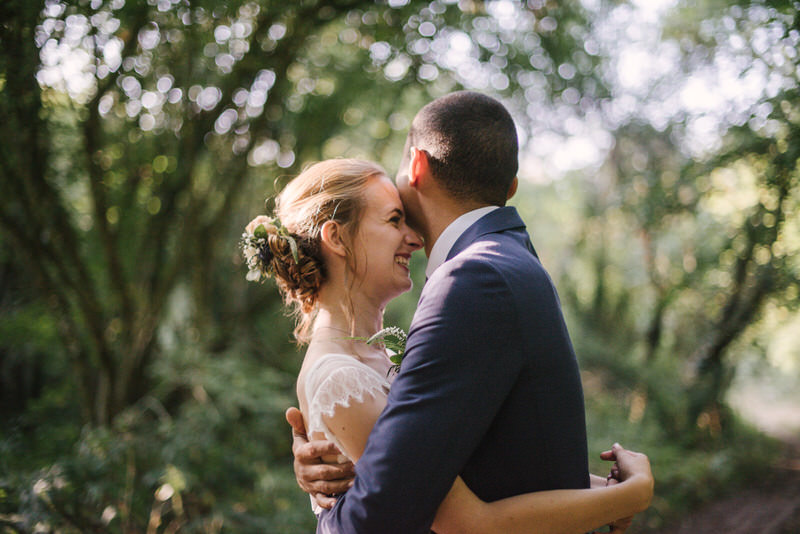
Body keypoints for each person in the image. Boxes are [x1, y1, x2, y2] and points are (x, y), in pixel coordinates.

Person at [244, 154, 653, 531]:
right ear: (336, 238)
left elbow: (473, 471)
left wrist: (605, 491)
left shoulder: (375, 353)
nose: (415, 238)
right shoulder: (339, 379)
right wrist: (625, 496)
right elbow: (467, 521)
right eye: (393, 221)